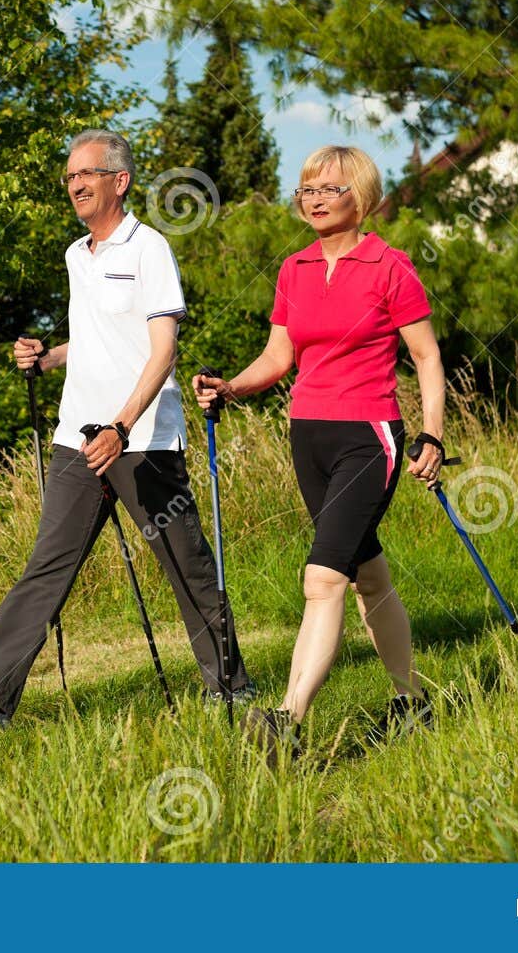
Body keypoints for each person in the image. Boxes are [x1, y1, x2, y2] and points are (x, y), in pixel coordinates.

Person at [0, 129, 250, 729]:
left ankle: (231, 691)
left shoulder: (149, 249)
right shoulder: (78, 254)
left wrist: (123, 426)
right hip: (77, 437)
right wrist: (46, 357)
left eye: (87, 174)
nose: (75, 185)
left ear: (118, 181)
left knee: (187, 567)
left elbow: (162, 351)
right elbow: (98, 340)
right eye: (70, 176)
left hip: (140, 440)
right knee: (48, 565)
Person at [192, 145, 446, 763]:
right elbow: (279, 359)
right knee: (368, 577)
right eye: (306, 190)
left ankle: (287, 718)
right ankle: (414, 703)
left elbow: (427, 357)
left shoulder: (390, 266)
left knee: (323, 577)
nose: (314, 199)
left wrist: (433, 436)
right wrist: (231, 386)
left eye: (328, 189)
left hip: (368, 435)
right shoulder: (294, 268)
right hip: (307, 435)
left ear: (360, 196)